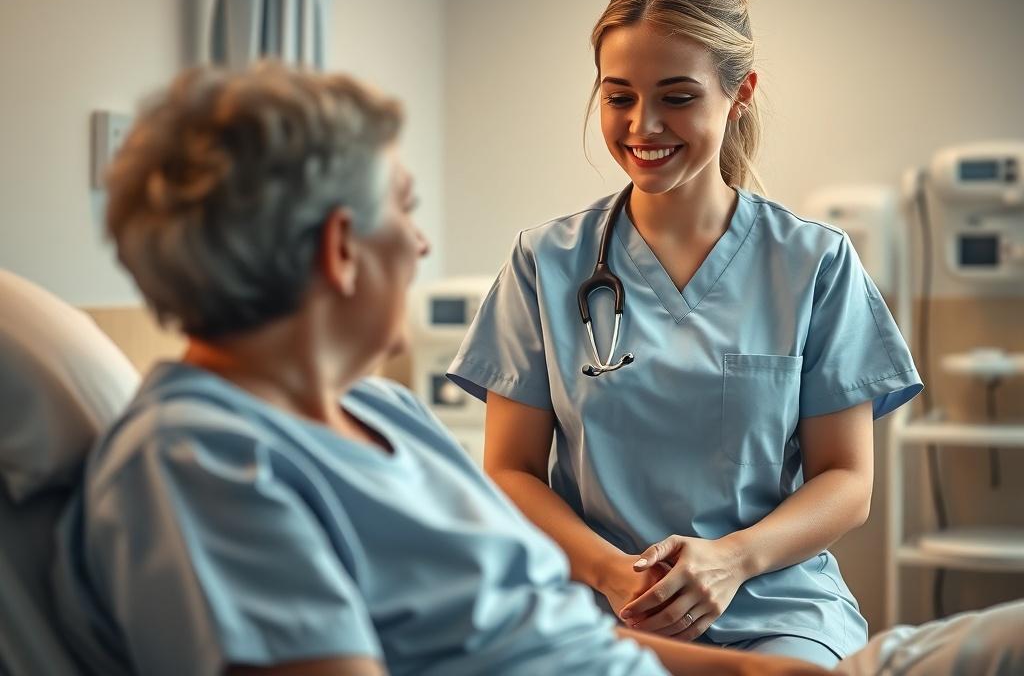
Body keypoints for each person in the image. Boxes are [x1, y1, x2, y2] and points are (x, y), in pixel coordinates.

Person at [52, 63, 825, 676]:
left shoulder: (388, 413)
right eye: (407, 209)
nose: (421, 246)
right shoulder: (204, 463)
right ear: (341, 248)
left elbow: (534, 629)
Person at [446, 0, 923, 669]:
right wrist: (614, 574)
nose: (643, 127)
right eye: (618, 97)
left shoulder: (813, 264)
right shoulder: (545, 264)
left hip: (771, 600)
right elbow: (510, 470)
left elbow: (847, 481)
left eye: (677, 97)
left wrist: (731, 561)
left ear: (741, 94)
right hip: (595, 600)